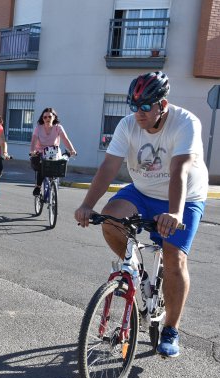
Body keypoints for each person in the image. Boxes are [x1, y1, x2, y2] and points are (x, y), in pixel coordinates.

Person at [74, 71, 208, 358]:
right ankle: (140, 272)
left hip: (184, 195)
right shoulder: (127, 125)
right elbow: (109, 168)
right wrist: (87, 205)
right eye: (134, 106)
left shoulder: (185, 123)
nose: (139, 114)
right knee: (110, 219)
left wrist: (174, 212)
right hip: (143, 191)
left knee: (175, 259)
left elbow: (179, 171)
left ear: (163, 104)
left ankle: (171, 329)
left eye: (146, 106)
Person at [30, 107, 77, 196]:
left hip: (54, 152)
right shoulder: (38, 128)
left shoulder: (58, 127)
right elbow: (33, 140)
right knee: (42, 166)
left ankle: (54, 185)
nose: (47, 119)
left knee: (58, 165)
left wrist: (72, 150)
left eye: (49, 117)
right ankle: (38, 186)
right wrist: (32, 151)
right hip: (41, 152)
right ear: (42, 118)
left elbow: (65, 139)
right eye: (45, 117)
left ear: (54, 117)